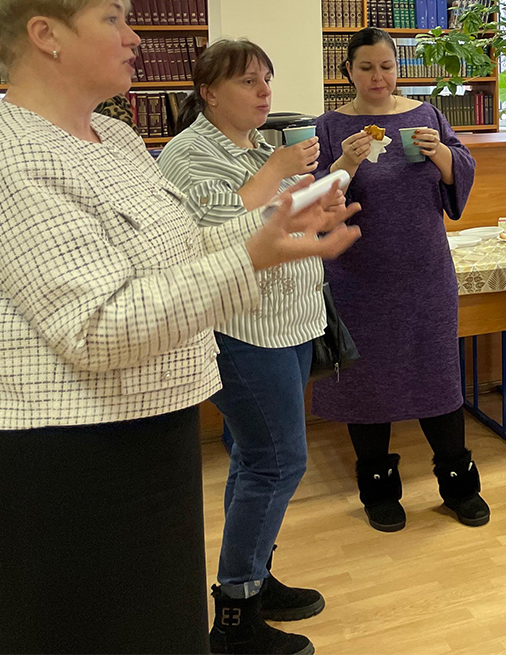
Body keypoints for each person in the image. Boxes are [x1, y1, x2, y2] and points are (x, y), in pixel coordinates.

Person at [0, 0, 360, 655]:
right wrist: (253, 255)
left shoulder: (112, 136)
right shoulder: (14, 159)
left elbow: (180, 247)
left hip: (149, 438)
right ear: (46, 34)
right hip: (71, 466)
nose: (135, 36)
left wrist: (273, 223)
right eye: (113, 19)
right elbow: (99, 328)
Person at [158, 39, 330, 655]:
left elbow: (283, 218)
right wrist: (278, 173)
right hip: (240, 328)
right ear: (208, 92)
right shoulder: (186, 156)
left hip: (289, 321)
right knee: (277, 461)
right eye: (248, 81)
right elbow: (211, 235)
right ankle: (235, 619)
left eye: (267, 79)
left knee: (253, 457)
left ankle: (252, 575)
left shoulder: (258, 147)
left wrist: (319, 199)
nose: (264, 92)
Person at [312, 27, 489, 532]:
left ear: (398, 68)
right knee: (366, 386)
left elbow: (461, 170)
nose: (378, 77)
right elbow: (317, 202)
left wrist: (442, 155)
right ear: (348, 71)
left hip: (425, 274)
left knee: (438, 377)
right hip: (358, 278)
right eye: (366, 67)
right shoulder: (329, 127)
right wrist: (345, 163)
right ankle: (378, 490)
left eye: (386, 66)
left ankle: (459, 485)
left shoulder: (426, 115)